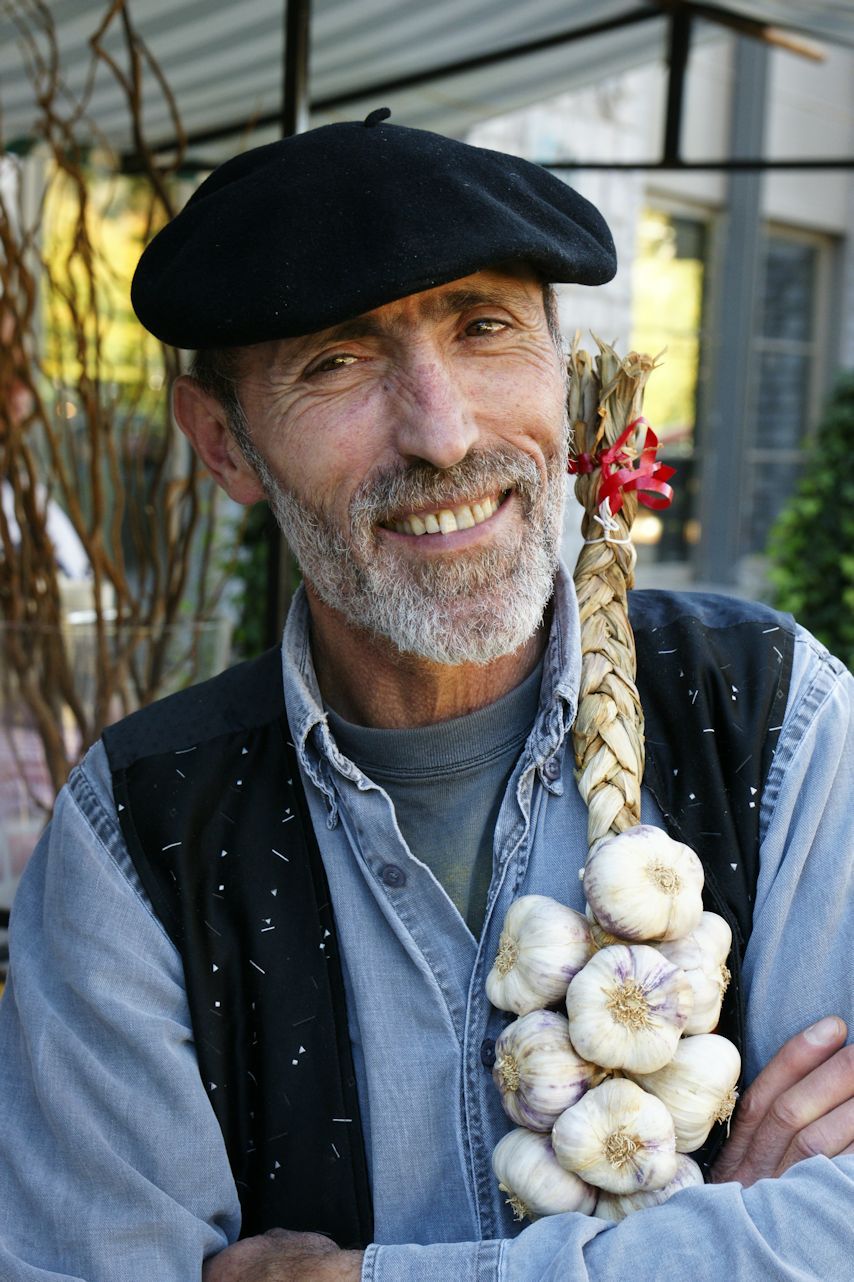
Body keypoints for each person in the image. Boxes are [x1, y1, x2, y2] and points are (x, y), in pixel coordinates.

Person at [0, 113, 851, 1282]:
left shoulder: (768, 714)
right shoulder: (136, 834)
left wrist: (362, 1280)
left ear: (565, 369)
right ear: (223, 445)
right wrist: (713, 1246)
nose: (443, 434)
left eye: (485, 327)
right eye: (337, 362)